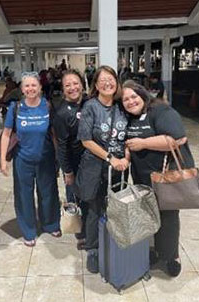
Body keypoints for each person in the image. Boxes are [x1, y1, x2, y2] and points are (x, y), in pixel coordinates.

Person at [121, 80, 191, 277]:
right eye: (125, 99)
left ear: (143, 95)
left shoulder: (160, 111)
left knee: (168, 216)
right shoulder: (129, 117)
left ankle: (171, 256)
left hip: (164, 176)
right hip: (142, 175)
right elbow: (127, 141)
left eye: (133, 96)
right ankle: (155, 250)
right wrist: (126, 154)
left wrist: (143, 143)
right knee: (150, 215)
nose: (130, 101)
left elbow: (177, 138)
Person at [76, 65, 130, 273]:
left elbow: (130, 133)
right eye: (103, 79)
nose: (108, 83)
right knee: (94, 207)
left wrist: (125, 156)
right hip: (95, 167)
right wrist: (110, 158)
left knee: (115, 206)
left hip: (118, 168)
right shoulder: (90, 106)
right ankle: (93, 249)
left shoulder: (121, 106)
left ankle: (114, 241)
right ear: (96, 85)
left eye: (111, 79)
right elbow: (86, 140)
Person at [0, 71, 61, 247]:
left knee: (48, 193)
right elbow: (6, 134)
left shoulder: (47, 106)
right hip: (23, 160)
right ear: (22, 89)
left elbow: (55, 134)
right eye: (27, 85)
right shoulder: (15, 108)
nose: (30, 88)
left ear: (40, 87)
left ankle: (50, 224)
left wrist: (59, 158)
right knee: (24, 195)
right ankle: (28, 230)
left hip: (46, 158)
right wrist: (3, 160)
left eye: (34, 85)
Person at [52, 70, 89, 250]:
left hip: (91, 161)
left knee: (90, 198)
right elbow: (61, 145)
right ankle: (80, 234)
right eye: (68, 85)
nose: (73, 88)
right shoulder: (61, 112)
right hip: (73, 163)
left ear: (82, 84)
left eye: (76, 83)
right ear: (63, 89)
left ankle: (92, 229)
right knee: (74, 197)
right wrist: (67, 171)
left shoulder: (90, 103)